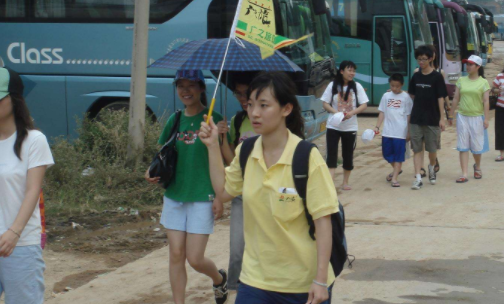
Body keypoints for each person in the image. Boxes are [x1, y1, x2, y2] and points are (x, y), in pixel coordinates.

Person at [200, 72, 338, 304]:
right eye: (251, 104)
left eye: (264, 105)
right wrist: (213, 146)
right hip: (255, 281)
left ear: (286, 109)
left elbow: (323, 221)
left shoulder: (306, 157)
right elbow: (223, 192)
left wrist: (321, 279)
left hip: (302, 284)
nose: (254, 113)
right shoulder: (246, 152)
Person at [144, 70, 229, 304]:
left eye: (191, 85)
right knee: (176, 254)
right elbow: (162, 153)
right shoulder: (176, 119)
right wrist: (151, 170)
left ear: (201, 88)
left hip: (203, 196)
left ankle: (219, 278)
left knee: (195, 258)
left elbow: (226, 161)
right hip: (174, 195)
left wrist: (219, 196)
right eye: (180, 85)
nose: (185, 90)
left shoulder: (214, 118)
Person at [0, 67, 54, 304]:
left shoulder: (34, 140)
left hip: (19, 244)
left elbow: (33, 190)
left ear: (14, 99)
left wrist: (14, 233)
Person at [224, 73, 257, 293]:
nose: (243, 98)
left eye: (247, 93)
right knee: (237, 251)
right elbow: (231, 161)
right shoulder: (237, 121)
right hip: (241, 195)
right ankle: (234, 288)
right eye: (238, 93)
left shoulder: (269, 120)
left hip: (267, 194)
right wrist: (217, 140)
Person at [321, 60, 369, 190]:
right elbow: (325, 103)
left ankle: (345, 182)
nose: (352, 73)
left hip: (350, 127)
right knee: (331, 154)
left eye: (353, 70)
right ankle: (330, 183)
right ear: (341, 71)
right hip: (333, 125)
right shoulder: (332, 85)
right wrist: (336, 113)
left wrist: (352, 113)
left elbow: (364, 105)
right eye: (349, 70)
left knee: (348, 155)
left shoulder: (356, 86)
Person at [408, 45, 448, 190]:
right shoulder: (416, 76)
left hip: (432, 118)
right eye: (419, 59)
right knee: (417, 149)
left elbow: (441, 98)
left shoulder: (437, 77)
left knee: (432, 149)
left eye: (424, 59)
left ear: (431, 58)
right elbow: (411, 94)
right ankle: (418, 177)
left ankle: (431, 167)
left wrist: (442, 118)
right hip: (416, 118)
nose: (421, 62)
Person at [449, 55, 490, 182]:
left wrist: (486, 118)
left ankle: (477, 167)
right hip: (462, 117)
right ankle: (464, 174)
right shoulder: (461, 80)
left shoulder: (483, 82)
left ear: (478, 67)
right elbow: (456, 98)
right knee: (463, 145)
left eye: (471, 64)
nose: (468, 67)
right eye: (467, 64)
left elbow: (486, 101)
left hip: (477, 117)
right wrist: (451, 114)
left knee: (477, 147)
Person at [375, 74, 413, 187]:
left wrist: (408, 131)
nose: (395, 88)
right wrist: (377, 126)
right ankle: (397, 169)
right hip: (387, 131)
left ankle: (395, 178)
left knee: (398, 156)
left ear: (402, 85)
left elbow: (408, 115)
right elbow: (382, 112)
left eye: (397, 86)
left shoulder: (406, 97)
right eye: (392, 86)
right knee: (387, 154)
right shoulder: (386, 96)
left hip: (400, 132)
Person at [492, 68, 504, 162]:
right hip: (500, 107)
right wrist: (498, 90)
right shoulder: (500, 76)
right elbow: (493, 89)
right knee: (500, 130)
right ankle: (502, 154)